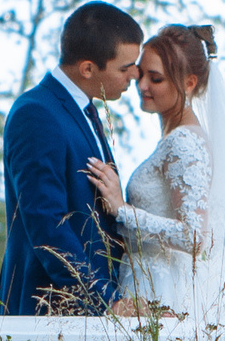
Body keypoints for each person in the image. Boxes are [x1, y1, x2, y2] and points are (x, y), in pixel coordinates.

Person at [0, 0, 142, 341]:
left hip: (91, 316)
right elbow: (46, 226)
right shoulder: (36, 114)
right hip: (56, 308)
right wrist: (105, 298)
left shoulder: (82, 112)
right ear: (88, 67)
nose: (134, 78)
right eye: (126, 68)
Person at [85, 23, 215, 319]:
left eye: (155, 78)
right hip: (144, 284)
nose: (141, 85)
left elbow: (194, 237)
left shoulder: (185, 142)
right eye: (141, 73)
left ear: (189, 83)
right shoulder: (172, 139)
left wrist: (122, 209)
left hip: (159, 290)